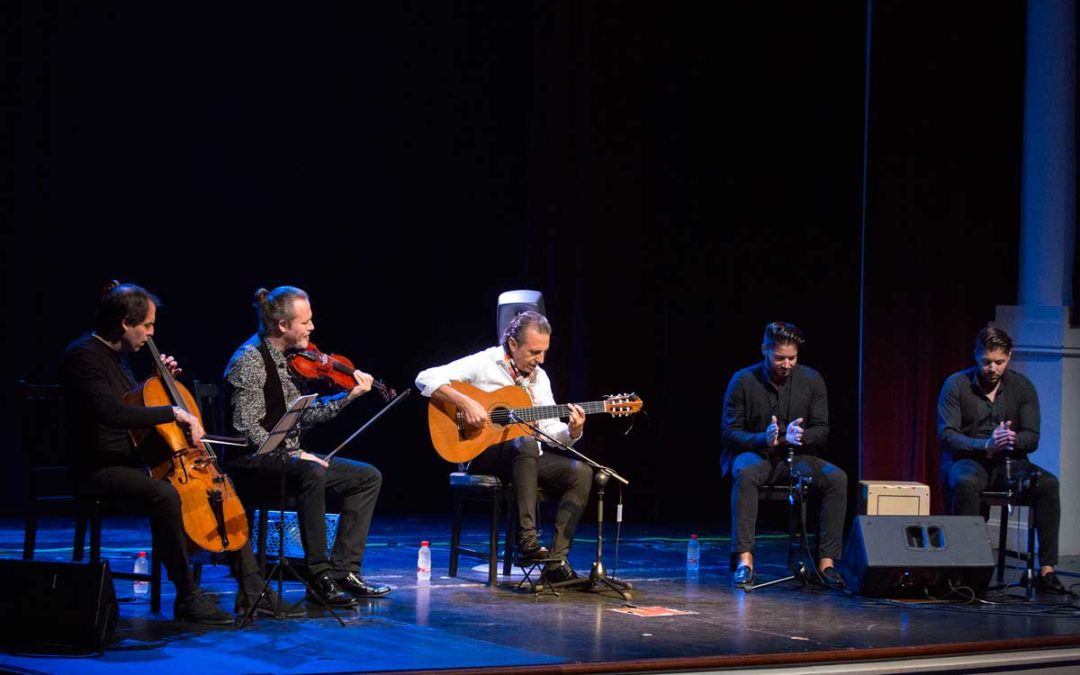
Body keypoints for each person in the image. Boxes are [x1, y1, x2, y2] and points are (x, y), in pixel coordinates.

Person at [61, 282, 303, 624]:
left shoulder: (120, 358)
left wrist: (157, 383)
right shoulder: (83, 356)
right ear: (123, 324)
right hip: (100, 468)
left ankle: (252, 587)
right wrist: (171, 411)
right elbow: (112, 413)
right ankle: (187, 596)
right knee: (165, 494)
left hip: (137, 461)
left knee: (219, 488)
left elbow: (132, 403)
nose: (151, 332)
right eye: (146, 325)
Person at [224, 286, 390, 607]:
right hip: (252, 465)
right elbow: (246, 428)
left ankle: (344, 571)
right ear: (283, 326)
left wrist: (348, 396)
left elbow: (302, 416)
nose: (312, 328)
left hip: (292, 462)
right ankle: (318, 576)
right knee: (311, 470)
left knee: (367, 477)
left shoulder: (290, 360)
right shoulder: (250, 361)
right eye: (305, 322)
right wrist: (293, 454)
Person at [415, 310, 592, 584]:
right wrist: (465, 402)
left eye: (544, 352)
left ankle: (556, 563)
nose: (541, 360)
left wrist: (572, 431)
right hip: (483, 453)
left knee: (580, 472)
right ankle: (527, 540)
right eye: (534, 352)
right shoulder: (485, 362)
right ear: (512, 344)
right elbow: (425, 377)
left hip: (525, 457)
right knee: (526, 444)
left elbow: (548, 430)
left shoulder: (539, 379)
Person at [721, 321, 848, 589]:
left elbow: (822, 430)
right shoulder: (743, 380)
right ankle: (745, 562)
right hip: (756, 455)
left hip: (796, 457)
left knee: (836, 478)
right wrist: (764, 438)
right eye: (780, 358)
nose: (787, 364)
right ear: (764, 350)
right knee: (744, 472)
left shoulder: (812, 379)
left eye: (792, 358)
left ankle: (827, 565)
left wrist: (797, 437)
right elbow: (730, 433)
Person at [937, 326, 1065, 593]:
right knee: (963, 482)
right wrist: (985, 444)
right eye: (986, 362)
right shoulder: (956, 384)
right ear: (975, 355)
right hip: (970, 458)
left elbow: (1032, 436)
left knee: (1048, 484)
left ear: (1009, 357)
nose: (992, 368)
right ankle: (965, 571)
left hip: (1010, 461)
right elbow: (947, 434)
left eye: (999, 362)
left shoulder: (1022, 387)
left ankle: (1046, 570)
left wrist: (1010, 440)